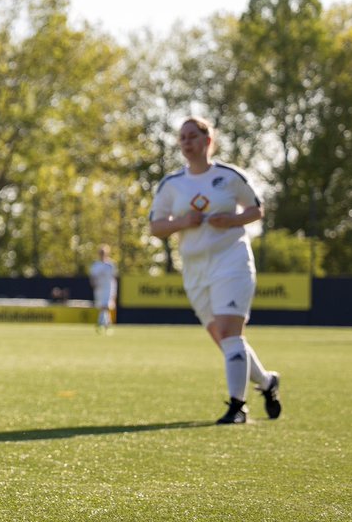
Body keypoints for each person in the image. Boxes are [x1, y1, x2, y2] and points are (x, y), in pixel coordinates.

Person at [148, 117, 281, 424]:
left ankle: (238, 407)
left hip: (231, 262)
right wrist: (182, 222)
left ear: (208, 140)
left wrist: (232, 220)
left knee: (231, 333)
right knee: (223, 337)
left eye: (192, 136)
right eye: (182, 138)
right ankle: (267, 381)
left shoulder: (229, 176)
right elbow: (156, 227)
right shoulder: (172, 184)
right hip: (195, 270)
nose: (186, 142)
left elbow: (257, 208)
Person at [89, 244, 118, 333]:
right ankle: (107, 324)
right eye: (100, 252)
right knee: (102, 307)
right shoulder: (95, 265)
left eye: (103, 252)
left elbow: (114, 277)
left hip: (108, 288)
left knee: (105, 306)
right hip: (99, 289)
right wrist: (93, 284)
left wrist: (115, 290)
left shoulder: (111, 265)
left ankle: (100, 323)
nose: (102, 254)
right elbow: (92, 277)